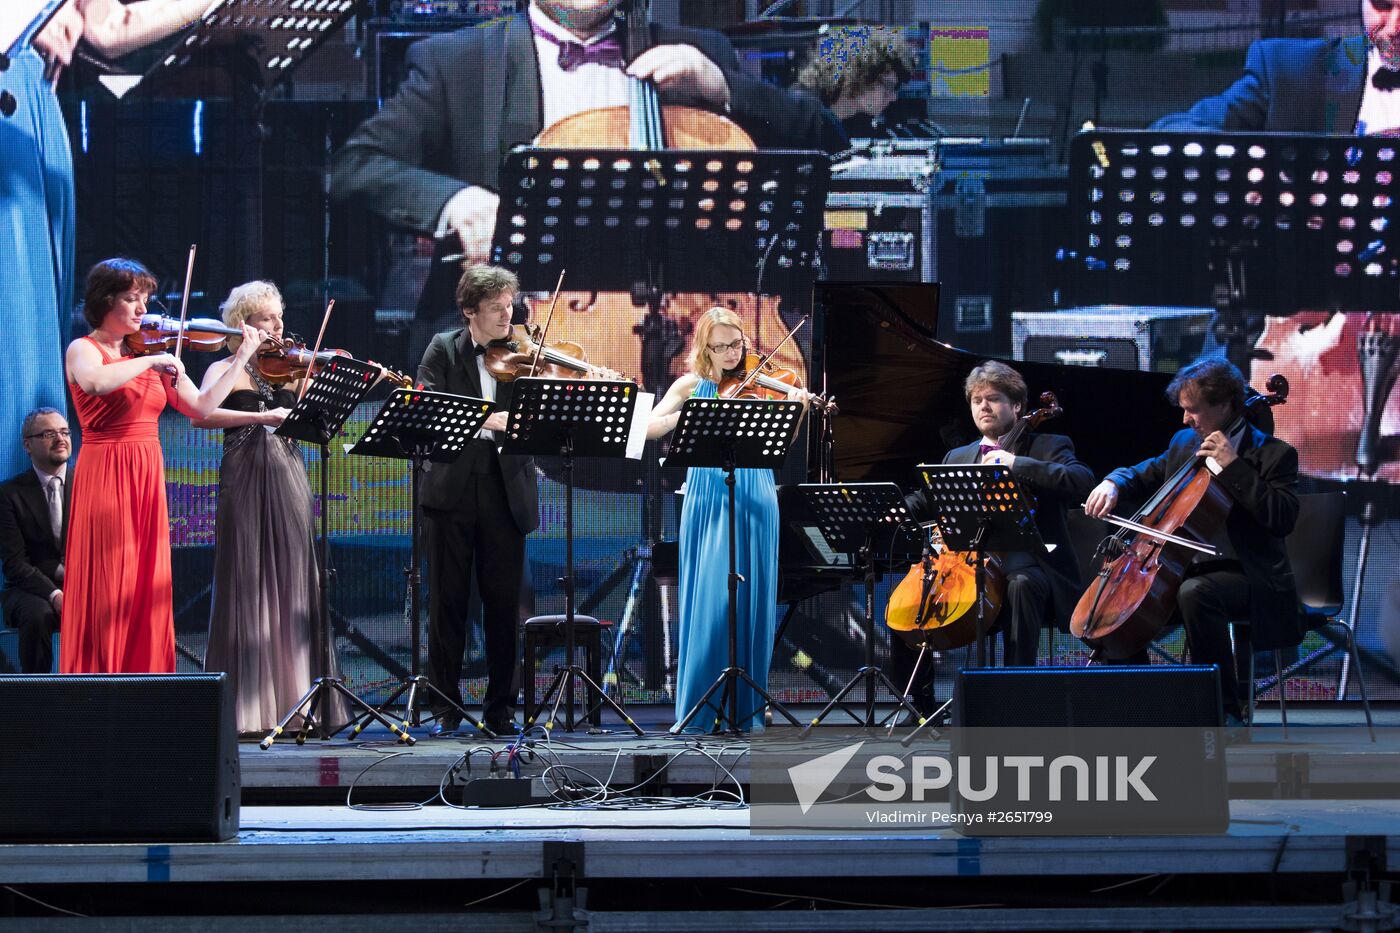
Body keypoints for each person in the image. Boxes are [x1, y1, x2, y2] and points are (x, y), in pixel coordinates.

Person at [328, 0, 845, 301]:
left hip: (683, 330)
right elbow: (354, 166)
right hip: (515, 333)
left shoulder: (699, 50)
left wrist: (727, 88)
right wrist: (457, 202)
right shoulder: (455, 60)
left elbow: (827, 137)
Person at [0, 0, 231, 485]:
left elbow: (108, 27)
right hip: (12, 88)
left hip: (30, 101)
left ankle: (28, 532)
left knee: (30, 317)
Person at [60, 258, 265, 675]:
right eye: (132, 299)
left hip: (147, 474)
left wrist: (242, 356)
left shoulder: (153, 352)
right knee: (108, 581)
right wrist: (152, 362)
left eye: (146, 300)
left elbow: (202, 407)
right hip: (106, 472)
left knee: (145, 585)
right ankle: (97, 688)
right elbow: (97, 382)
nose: (143, 310)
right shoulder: (85, 348)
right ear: (105, 301)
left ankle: (144, 692)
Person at [1084, 358, 1304, 724]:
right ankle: (1141, 710)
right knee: (1116, 608)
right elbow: (1144, 471)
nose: (1185, 419)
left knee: (1196, 593)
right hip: (1179, 568)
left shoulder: (1275, 455)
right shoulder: (1185, 443)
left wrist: (1234, 467)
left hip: (1247, 575)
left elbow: (1281, 518)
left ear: (1225, 405)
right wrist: (1113, 482)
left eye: (1194, 410)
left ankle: (1223, 711)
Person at [890, 361, 1095, 716]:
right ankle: (918, 704)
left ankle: (1016, 694)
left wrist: (1017, 464)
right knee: (909, 603)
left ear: (1016, 406)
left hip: (1033, 565)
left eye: (993, 399)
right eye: (976, 400)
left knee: (1021, 584)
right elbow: (928, 498)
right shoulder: (958, 456)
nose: (983, 407)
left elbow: (1080, 480)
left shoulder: (1048, 444)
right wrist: (895, 509)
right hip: (968, 566)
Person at [194, 281, 345, 735]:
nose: (277, 326)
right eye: (266, 319)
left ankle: (299, 703)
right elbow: (204, 413)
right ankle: (249, 708)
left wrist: (339, 377)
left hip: (288, 473)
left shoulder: (291, 369)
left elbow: (321, 418)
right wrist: (260, 414)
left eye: (278, 316)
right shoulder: (225, 366)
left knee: (296, 578)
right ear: (244, 324)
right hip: (244, 473)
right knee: (247, 576)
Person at [646, 306, 807, 732]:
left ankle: (745, 708)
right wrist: (689, 417)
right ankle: (701, 707)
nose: (732, 354)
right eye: (721, 347)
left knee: (751, 601)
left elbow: (782, 443)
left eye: (736, 344)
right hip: (709, 495)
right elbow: (651, 426)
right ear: (705, 349)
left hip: (755, 492)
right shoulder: (690, 385)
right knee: (714, 602)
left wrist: (798, 408)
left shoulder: (762, 386)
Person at [416, 266, 540, 736]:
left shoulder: (524, 352)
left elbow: (534, 415)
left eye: (510, 305)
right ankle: (446, 707)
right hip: (451, 489)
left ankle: (500, 710)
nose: (507, 315)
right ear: (470, 311)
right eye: (496, 308)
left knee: (505, 607)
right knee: (447, 601)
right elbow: (428, 404)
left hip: (506, 490)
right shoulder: (442, 348)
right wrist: (492, 419)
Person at [0, 409, 72, 673]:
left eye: (64, 432)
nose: (60, 439)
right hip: (29, 589)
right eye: (48, 434)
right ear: (27, 444)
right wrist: (55, 594)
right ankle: (38, 698)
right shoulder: (8, 495)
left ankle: (101, 694)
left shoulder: (89, 484)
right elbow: (15, 564)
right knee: (38, 614)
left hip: (82, 583)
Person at [795, 24, 917, 141]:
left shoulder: (861, 128)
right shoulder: (802, 116)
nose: (893, 97)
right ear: (860, 75)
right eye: (889, 86)